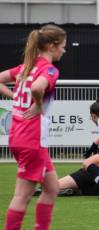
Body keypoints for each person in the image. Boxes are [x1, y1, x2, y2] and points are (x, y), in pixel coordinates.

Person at [0, 24, 66, 230]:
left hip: (21, 136)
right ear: (52, 46)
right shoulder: (49, 69)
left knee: (52, 187)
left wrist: (15, 96)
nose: (64, 50)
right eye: (63, 46)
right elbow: (38, 87)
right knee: (22, 195)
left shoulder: (25, 67)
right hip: (31, 138)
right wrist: (37, 105)